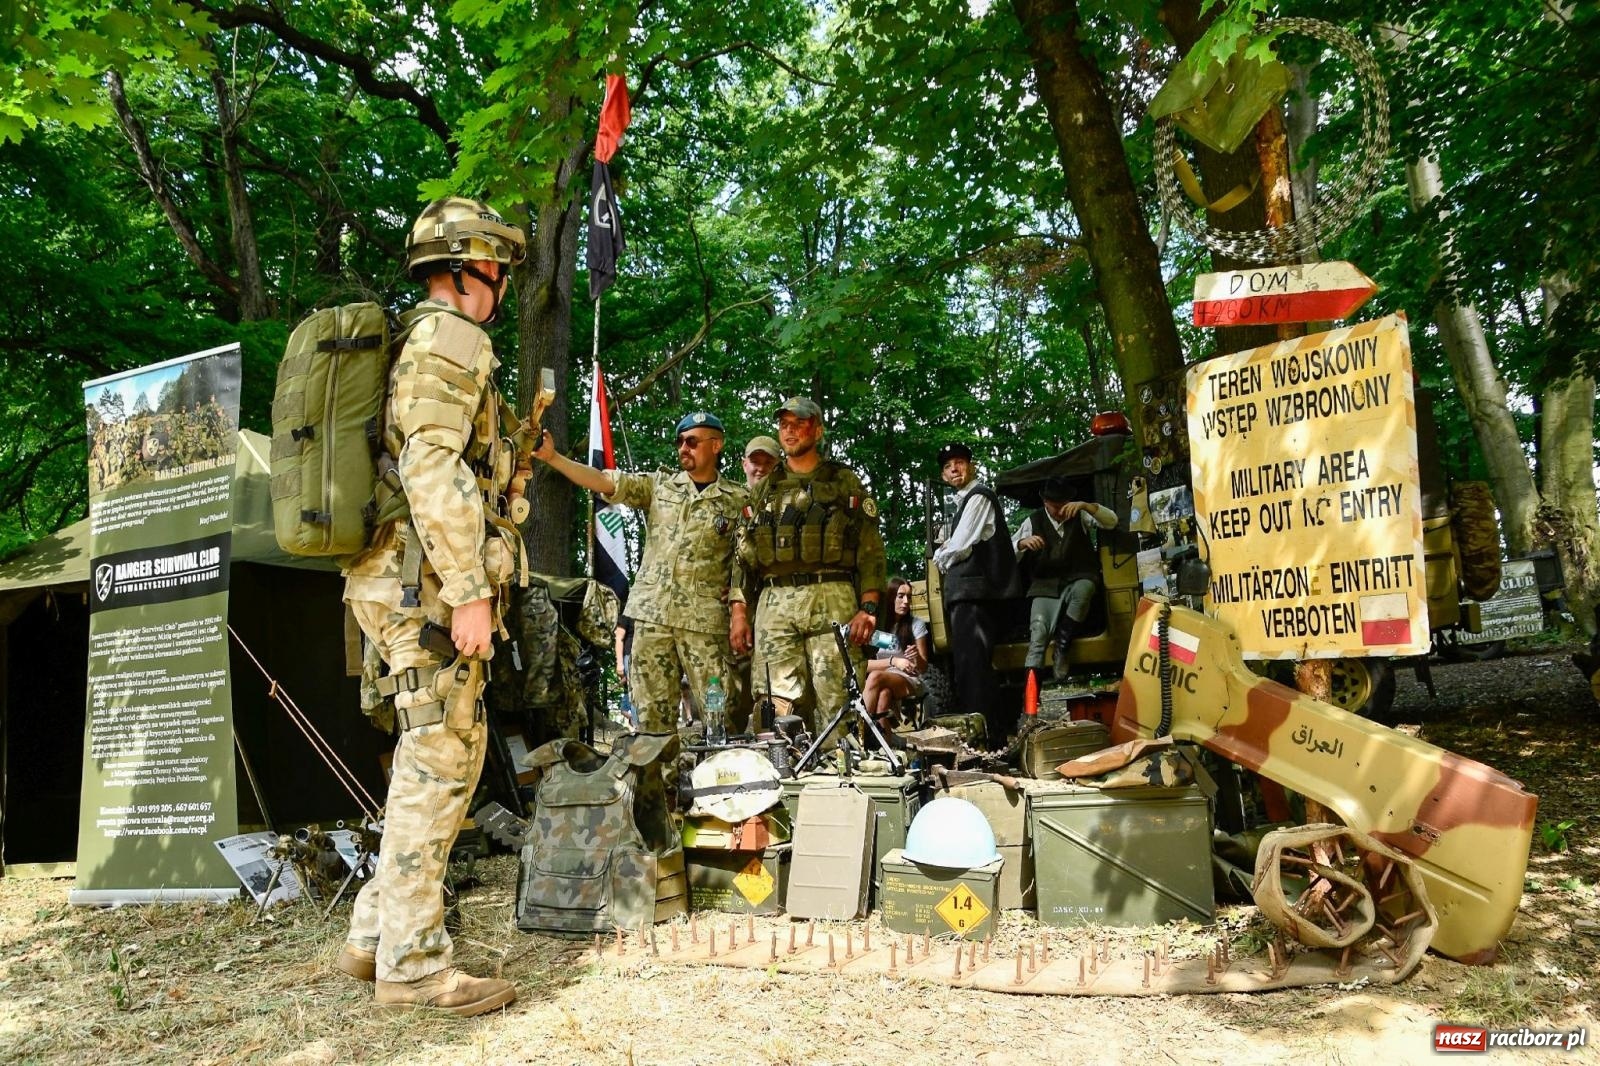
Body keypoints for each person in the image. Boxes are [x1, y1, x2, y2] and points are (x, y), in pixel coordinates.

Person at [336, 196, 523, 1017]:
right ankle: (413, 966)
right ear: (470, 266)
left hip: (388, 576)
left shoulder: (411, 339)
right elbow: (431, 469)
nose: (503, 282)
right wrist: (470, 591)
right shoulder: (452, 337)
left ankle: (372, 936)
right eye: (498, 266)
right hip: (425, 583)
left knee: (424, 755)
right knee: (443, 755)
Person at [532, 410, 747, 802]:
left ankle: (723, 797)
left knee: (720, 714)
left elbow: (745, 562)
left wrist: (737, 605)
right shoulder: (660, 486)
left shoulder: (737, 499)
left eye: (692, 441)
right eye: (680, 441)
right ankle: (658, 802)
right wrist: (553, 458)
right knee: (651, 719)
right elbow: (605, 481)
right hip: (652, 618)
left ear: (716, 445)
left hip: (704, 624)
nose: (683, 448)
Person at [729, 396, 886, 739]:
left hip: (832, 596)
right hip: (775, 602)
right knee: (770, 704)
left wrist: (869, 608)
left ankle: (840, 768)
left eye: (799, 424)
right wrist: (738, 613)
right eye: (784, 424)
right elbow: (743, 556)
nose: (790, 431)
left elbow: (870, 550)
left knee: (838, 701)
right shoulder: (764, 489)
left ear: (817, 431)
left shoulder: (843, 482)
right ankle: (779, 769)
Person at [932, 442, 1016, 745]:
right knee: (970, 670)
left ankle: (987, 743)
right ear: (943, 476)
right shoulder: (964, 503)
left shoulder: (979, 497)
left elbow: (960, 545)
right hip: (967, 596)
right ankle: (989, 739)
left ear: (971, 465)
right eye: (947, 466)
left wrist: (940, 556)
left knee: (974, 671)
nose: (954, 469)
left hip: (974, 595)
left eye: (959, 462)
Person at [1014, 475, 1118, 682]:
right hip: (1046, 585)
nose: (1060, 510)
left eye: (1064, 504)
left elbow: (1112, 522)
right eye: (1055, 506)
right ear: (1045, 502)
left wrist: (1086, 506)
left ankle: (1062, 647)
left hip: (1079, 578)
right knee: (1038, 633)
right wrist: (1021, 543)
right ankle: (1031, 697)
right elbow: (1008, 553)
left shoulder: (1080, 514)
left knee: (1085, 589)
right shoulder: (1032, 521)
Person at [860, 576, 931, 725]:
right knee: (883, 695)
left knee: (875, 677)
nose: (906, 601)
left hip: (908, 679)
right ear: (890, 598)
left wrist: (916, 657)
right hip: (884, 677)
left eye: (908, 597)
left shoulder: (916, 624)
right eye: (901, 596)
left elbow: (923, 668)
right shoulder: (879, 626)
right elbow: (863, 665)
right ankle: (884, 739)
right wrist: (894, 661)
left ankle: (861, 730)